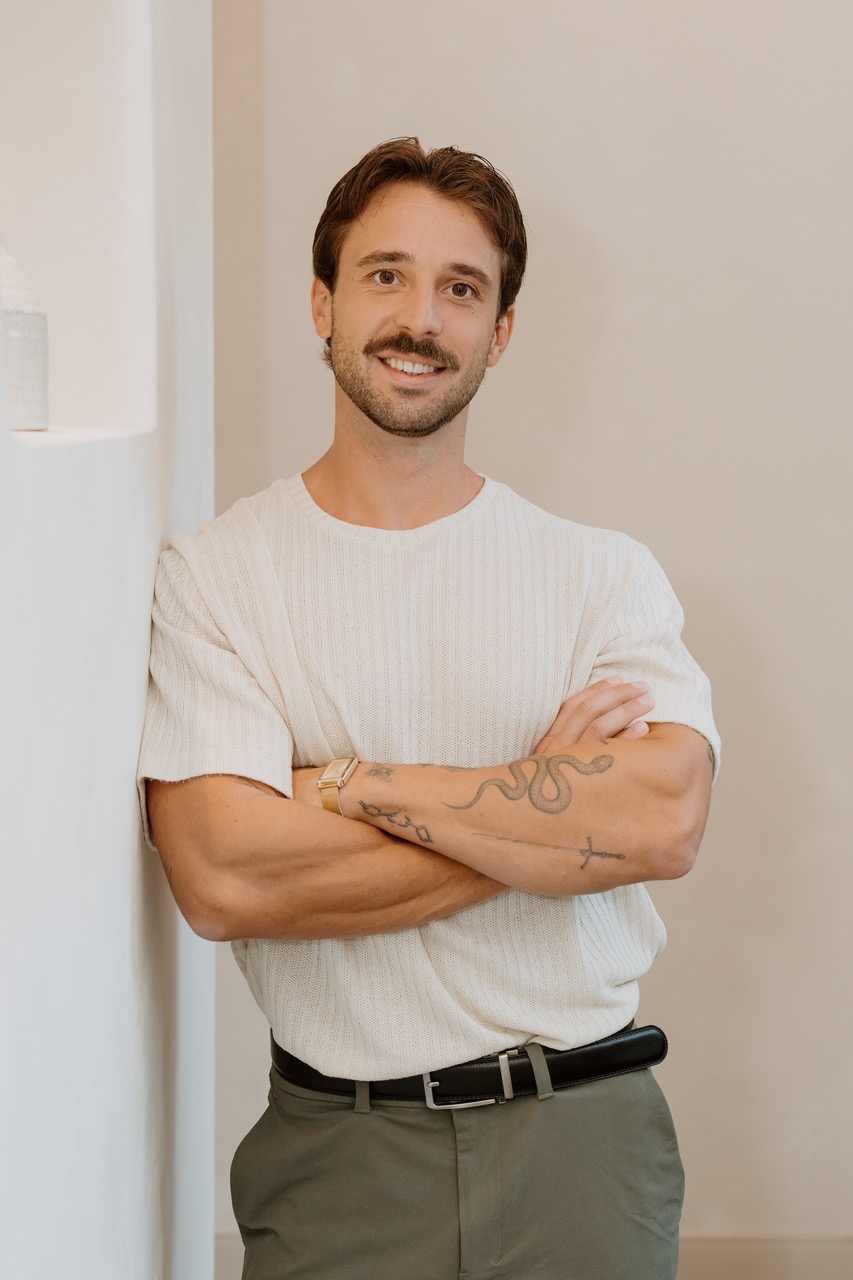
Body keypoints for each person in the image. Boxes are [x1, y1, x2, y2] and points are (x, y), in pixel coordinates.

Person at [138, 137, 719, 1280]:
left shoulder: (599, 574)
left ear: (499, 331)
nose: (420, 318)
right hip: (340, 1155)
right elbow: (225, 877)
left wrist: (348, 783)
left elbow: (661, 819)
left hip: (580, 1141)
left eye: (461, 288)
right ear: (322, 301)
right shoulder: (215, 578)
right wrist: (540, 809)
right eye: (385, 275)